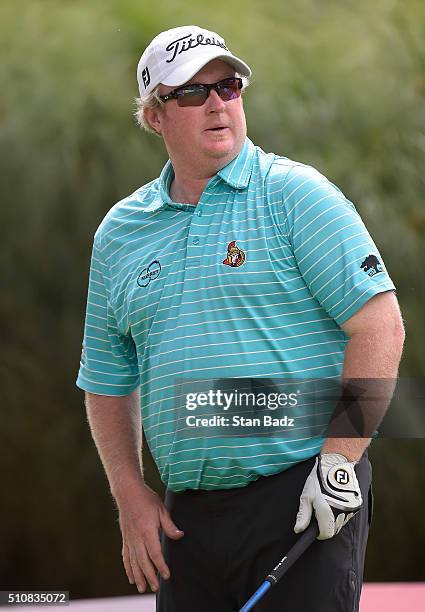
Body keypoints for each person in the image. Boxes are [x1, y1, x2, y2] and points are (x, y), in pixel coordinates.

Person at [76, 25, 405, 612]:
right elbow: (106, 381)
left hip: (301, 497)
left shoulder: (296, 195)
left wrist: (339, 459)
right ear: (155, 116)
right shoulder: (121, 233)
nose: (217, 104)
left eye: (227, 87)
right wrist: (130, 493)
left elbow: (380, 326)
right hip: (187, 518)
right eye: (192, 94)